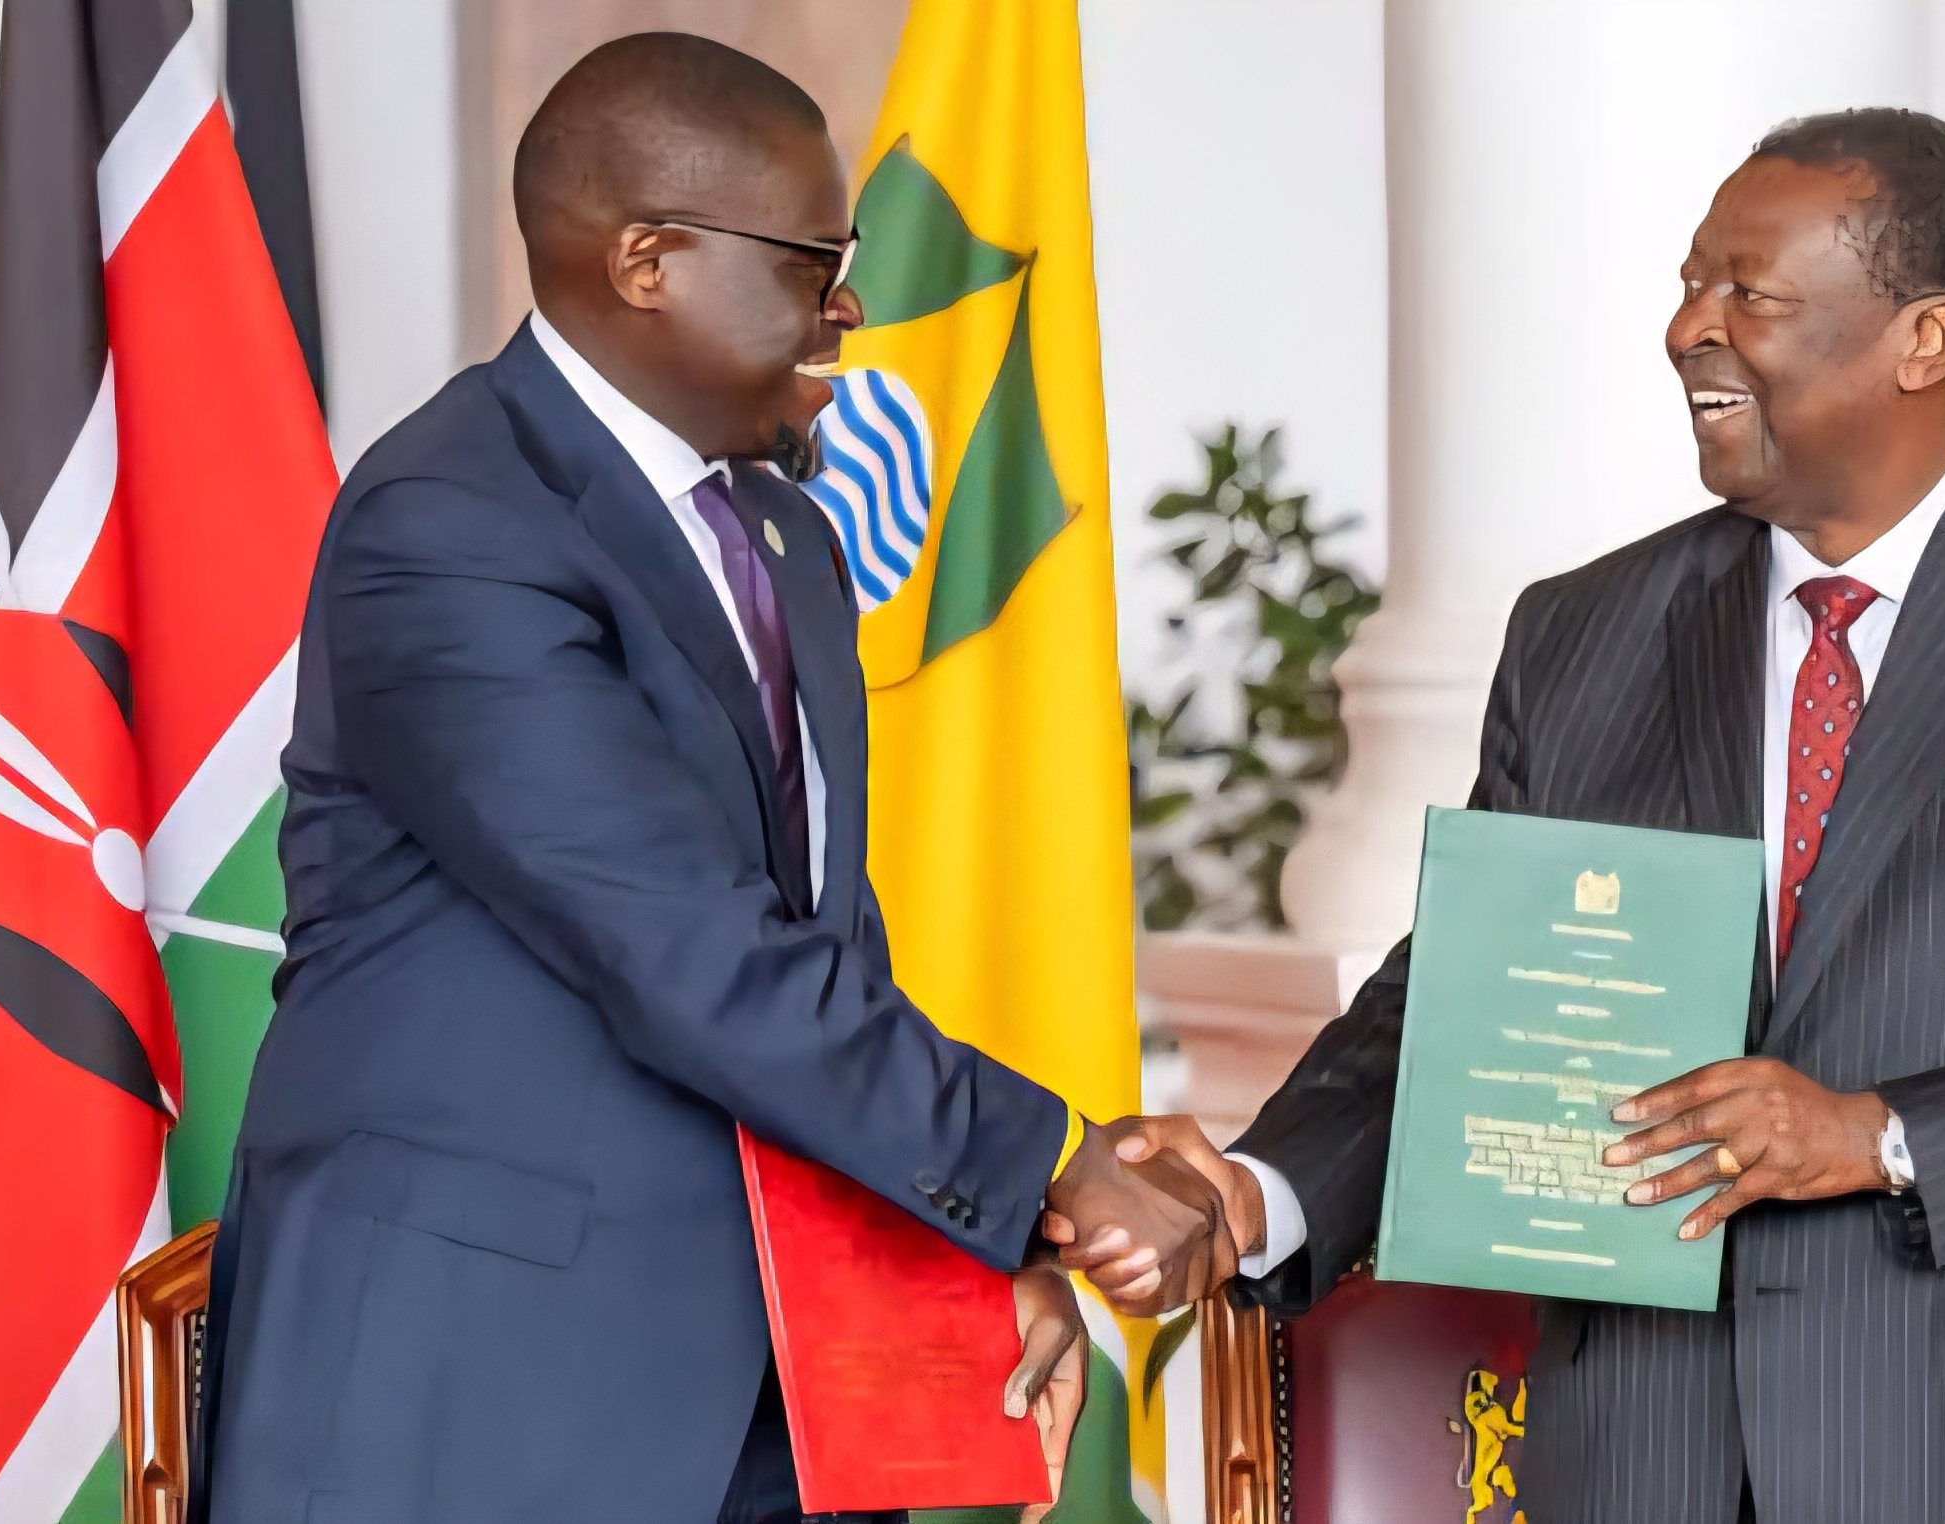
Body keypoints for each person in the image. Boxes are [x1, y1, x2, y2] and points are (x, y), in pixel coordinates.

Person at [1065, 109, 1945, 1524]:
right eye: (1689, 284)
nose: (1687, 330)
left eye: (1749, 293)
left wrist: (1874, 1133)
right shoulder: (1582, 633)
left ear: (1929, 337)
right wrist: (1259, 1190)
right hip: (1649, 1444)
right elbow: (1463, 995)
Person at [194, 34, 1228, 1524]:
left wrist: (980, 1250)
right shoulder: (451, 521)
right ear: (649, 260)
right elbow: (687, 945)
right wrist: (1054, 1165)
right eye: (815, 257)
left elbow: (820, 941)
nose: (850, 306)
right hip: (472, 1398)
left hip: (752, 1387)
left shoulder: (786, 536)